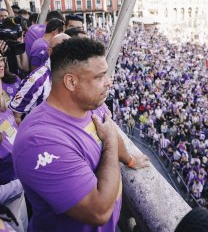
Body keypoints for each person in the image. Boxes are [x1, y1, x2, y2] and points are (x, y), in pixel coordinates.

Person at [13, 38, 149, 231]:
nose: (109, 82)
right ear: (71, 82)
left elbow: (110, 128)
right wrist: (109, 140)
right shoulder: (39, 141)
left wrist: (130, 160)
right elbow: (98, 211)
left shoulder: (92, 105)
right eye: (100, 77)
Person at [9, 33, 70, 124]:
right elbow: (16, 115)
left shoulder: (76, 73)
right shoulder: (37, 80)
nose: (66, 53)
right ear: (49, 51)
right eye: (60, 48)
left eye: (69, 49)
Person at [0, 54, 27, 232]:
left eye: (1, 59)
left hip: (17, 164)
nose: (1, 64)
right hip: (9, 174)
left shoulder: (5, 86)